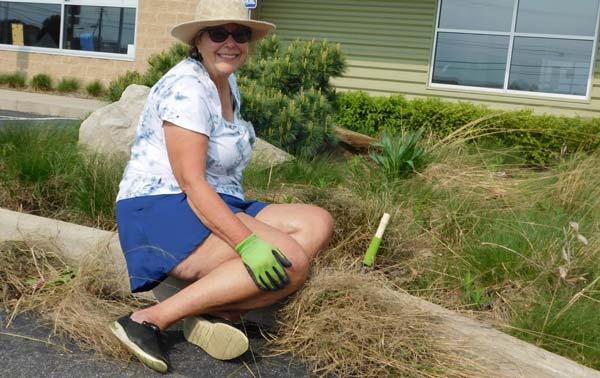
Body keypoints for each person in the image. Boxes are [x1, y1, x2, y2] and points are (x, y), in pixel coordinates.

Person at [109, 0, 334, 373]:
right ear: (198, 40)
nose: (230, 43)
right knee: (290, 262)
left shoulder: (227, 83)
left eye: (240, 34)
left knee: (316, 221)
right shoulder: (187, 88)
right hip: (163, 207)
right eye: (218, 33)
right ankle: (147, 320)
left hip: (216, 200)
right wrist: (246, 244)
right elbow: (192, 183)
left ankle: (216, 312)